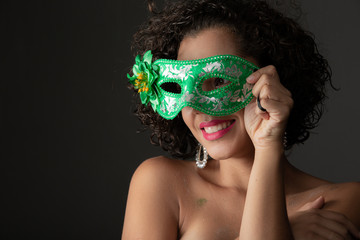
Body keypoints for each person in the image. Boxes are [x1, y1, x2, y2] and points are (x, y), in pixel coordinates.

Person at [122, 0, 360, 239]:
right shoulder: (159, 184)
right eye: (180, 87)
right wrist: (288, 230)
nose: (197, 107)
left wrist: (267, 145)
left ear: (272, 80)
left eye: (219, 81)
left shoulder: (344, 200)